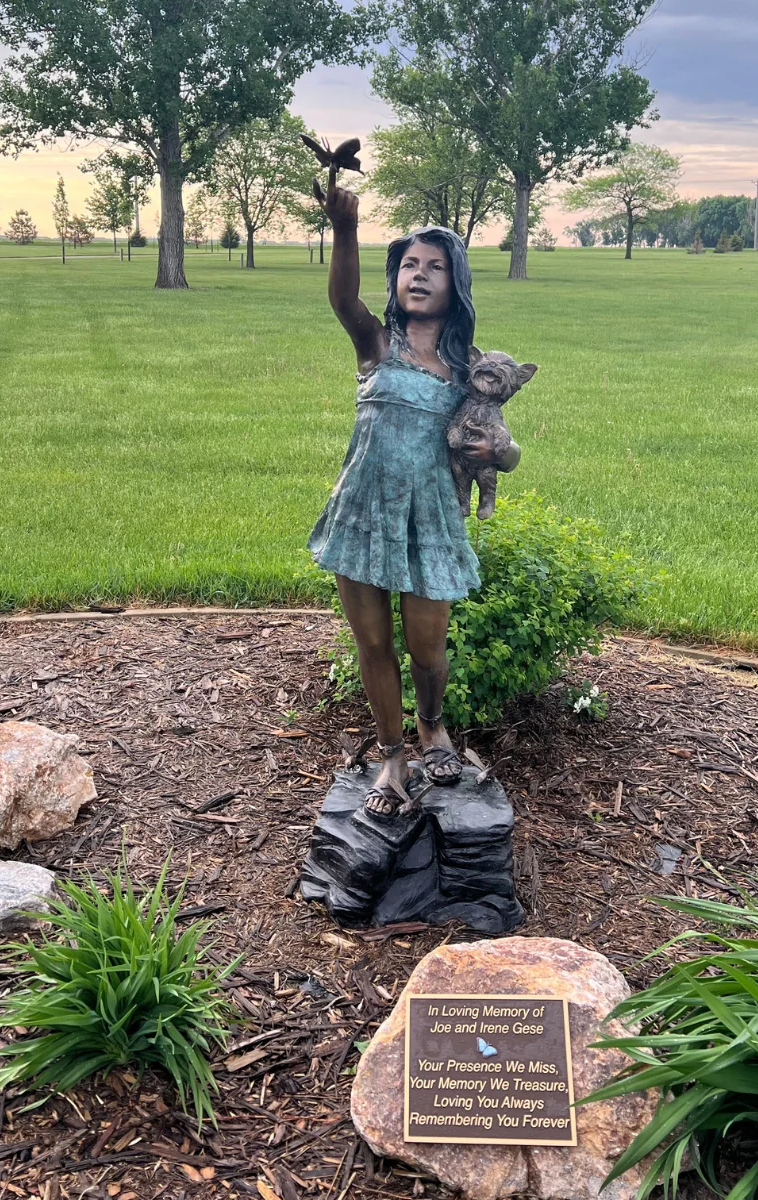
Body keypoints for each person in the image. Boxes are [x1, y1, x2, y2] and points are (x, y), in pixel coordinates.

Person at [307, 163, 493, 819]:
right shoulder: (376, 345)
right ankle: (391, 755)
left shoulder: (471, 369)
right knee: (373, 644)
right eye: (408, 264)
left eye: (434, 266)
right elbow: (343, 301)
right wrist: (347, 228)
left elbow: (503, 442)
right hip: (361, 513)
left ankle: (432, 725)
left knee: (427, 645)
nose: (417, 274)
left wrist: (500, 453)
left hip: (431, 519)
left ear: (455, 284)